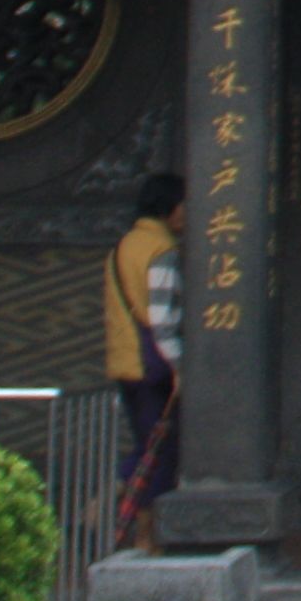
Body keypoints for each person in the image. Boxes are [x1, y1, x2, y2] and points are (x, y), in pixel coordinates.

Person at [106, 174, 185, 550]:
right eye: (184, 206)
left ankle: (108, 502)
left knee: (146, 443)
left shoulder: (123, 246)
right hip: (154, 367)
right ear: (170, 208)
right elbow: (162, 320)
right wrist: (181, 368)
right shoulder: (161, 250)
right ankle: (142, 536)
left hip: (126, 363)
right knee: (160, 452)